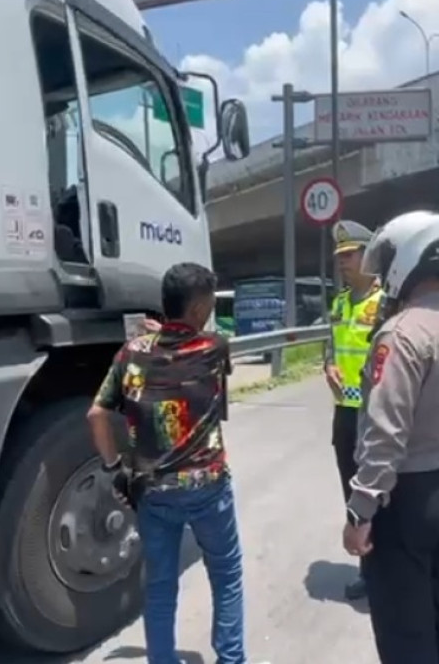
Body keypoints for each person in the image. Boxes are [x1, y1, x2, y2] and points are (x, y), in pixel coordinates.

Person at [87, 262, 263, 664]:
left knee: (160, 587)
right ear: (198, 308)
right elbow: (194, 357)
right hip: (208, 486)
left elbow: (96, 415)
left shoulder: (129, 354)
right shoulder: (215, 347)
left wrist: (115, 470)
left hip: (153, 490)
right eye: (209, 304)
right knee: (226, 575)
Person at [342, 210, 439, 664]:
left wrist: (360, 510)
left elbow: (385, 433)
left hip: (409, 498)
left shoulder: (401, 334)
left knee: (405, 631)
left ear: (411, 257)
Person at [322, 219, 384, 601]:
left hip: (378, 414)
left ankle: (390, 569)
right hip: (345, 413)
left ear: (368, 255)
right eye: (339, 256)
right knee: (353, 493)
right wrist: (328, 363)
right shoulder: (340, 302)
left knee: (383, 495)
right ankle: (369, 570)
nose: (342, 262)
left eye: (349, 255)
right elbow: (331, 345)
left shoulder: (386, 304)